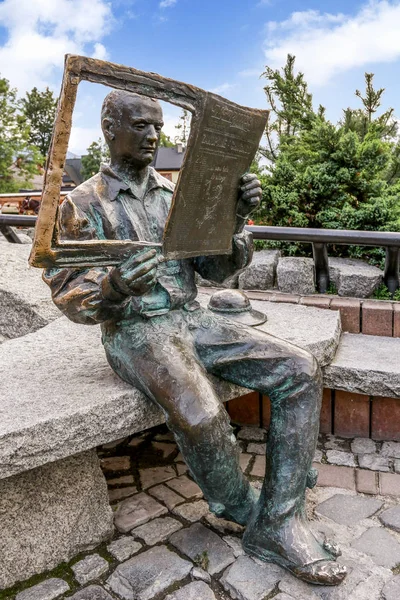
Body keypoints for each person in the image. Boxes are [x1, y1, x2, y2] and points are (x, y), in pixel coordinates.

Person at [43, 90, 347, 586]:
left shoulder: (174, 196)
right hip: (134, 329)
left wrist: (233, 220)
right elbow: (67, 291)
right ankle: (249, 511)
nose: (152, 136)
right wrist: (114, 286)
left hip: (191, 316)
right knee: (202, 413)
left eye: (157, 127)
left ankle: (280, 519)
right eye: (140, 125)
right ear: (109, 128)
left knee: (300, 369)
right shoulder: (79, 204)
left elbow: (214, 271)